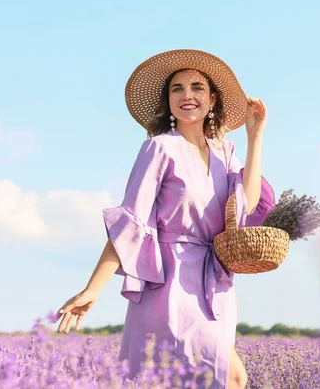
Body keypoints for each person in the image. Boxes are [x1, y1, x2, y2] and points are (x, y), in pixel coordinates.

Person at [52, 49, 275, 389]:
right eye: (177, 88)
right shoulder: (159, 148)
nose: (187, 95)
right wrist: (93, 289)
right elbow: (131, 221)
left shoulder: (224, 152)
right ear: (168, 101)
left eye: (197, 87)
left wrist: (254, 135)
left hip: (216, 283)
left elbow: (247, 204)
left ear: (212, 99)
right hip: (170, 282)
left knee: (224, 378)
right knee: (223, 377)